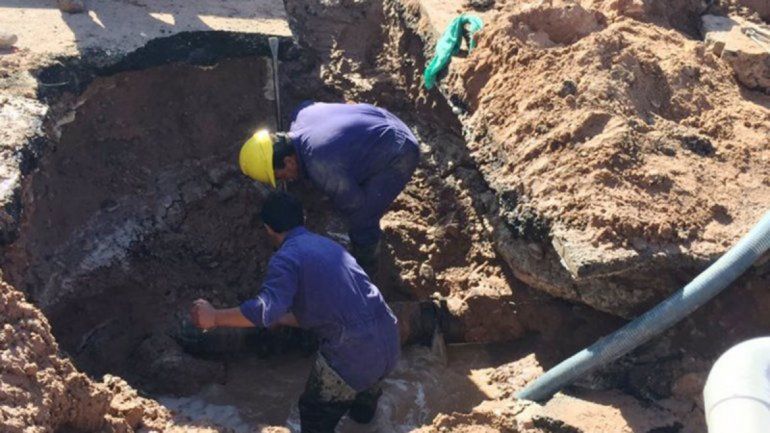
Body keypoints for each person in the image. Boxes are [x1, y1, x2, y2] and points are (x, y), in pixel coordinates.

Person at [189, 192, 400, 432]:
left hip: (353, 354)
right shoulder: (328, 246)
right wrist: (284, 318)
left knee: (314, 414)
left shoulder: (286, 258)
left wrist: (214, 316)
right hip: (389, 342)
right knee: (363, 413)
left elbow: (264, 310)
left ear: (268, 228)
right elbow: (335, 308)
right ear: (304, 218)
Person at [238, 102, 420, 273]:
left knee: (362, 216)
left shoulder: (322, 167)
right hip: (382, 120)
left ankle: (367, 266)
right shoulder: (301, 115)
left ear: (288, 161)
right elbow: (305, 103)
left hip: (400, 151)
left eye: (279, 175)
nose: (283, 180)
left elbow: (355, 204)